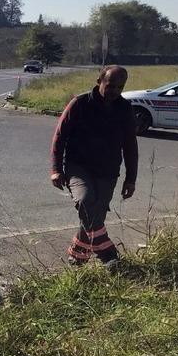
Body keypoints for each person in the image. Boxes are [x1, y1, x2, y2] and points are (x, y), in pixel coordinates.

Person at [50, 65, 138, 267]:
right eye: (110, 85)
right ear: (99, 82)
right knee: (85, 201)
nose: (114, 91)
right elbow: (59, 137)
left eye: (120, 87)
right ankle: (108, 255)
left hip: (108, 172)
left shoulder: (124, 108)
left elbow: (130, 147)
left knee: (94, 216)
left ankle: (77, 257)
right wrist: (56, 170)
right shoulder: (80, 104)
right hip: (78, 167)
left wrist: (131, 179)